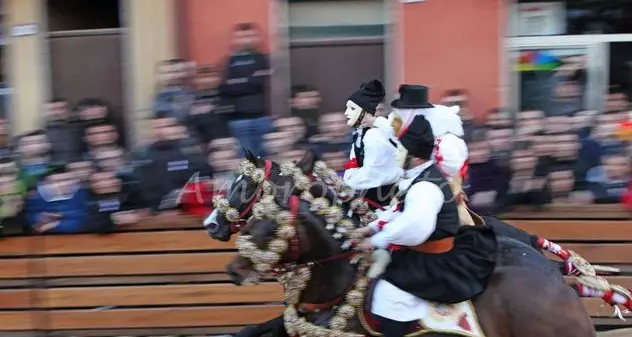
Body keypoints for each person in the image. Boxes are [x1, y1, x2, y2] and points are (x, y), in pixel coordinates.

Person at [355, 115, 497, 337]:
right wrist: (373, 229)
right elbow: (400, 212)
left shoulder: (425, 187)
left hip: (433, 262)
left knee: (388, 295)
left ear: (415, 157)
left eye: (400, 150)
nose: (395, 154)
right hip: (424, 254)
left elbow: (413, 229)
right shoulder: (421, 177)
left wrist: (375, 241)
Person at [361, 84, 474, 225]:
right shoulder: (407, 125)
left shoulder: (446, 142)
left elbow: (448, 174)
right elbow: (392, 128)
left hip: (441, 204)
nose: (398, 115)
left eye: (404, 110)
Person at [342, 80, 402, 209]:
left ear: (365, 112)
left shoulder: (374, 136)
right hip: (369, 196)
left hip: (386, 201)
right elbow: (353, 163)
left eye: (352, 109)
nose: (346, 113)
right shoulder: (359, 134)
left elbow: (373, 173)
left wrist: (345, 185)